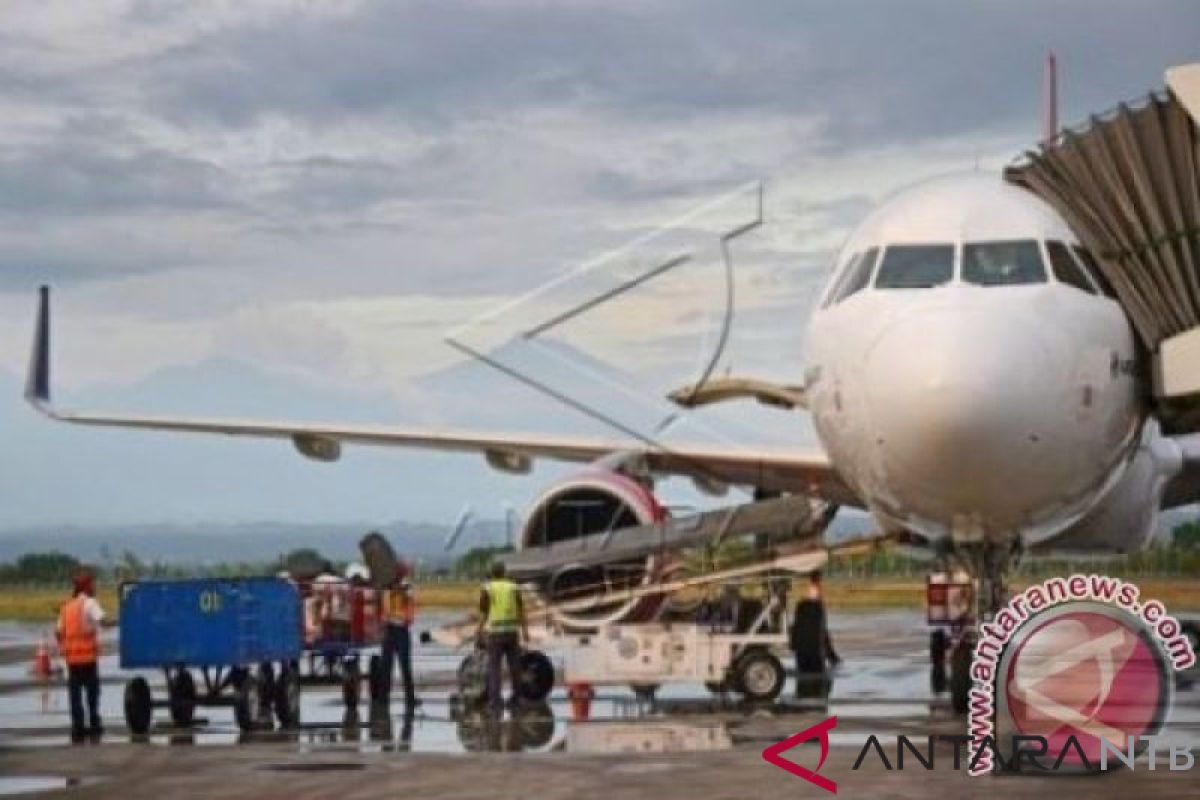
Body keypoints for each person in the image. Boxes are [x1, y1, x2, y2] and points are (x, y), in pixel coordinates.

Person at [56, 570, 105, 742]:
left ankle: (77, 727)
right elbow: (102, 620)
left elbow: (59, 632)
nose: (94, 587)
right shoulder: (90, 603)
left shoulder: (66, 607)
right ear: (86, 586)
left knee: (74, 695)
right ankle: (93, 724)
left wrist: (64, 647)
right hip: (88, 658)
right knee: (92, 693)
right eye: (92, 584)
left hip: (72, 659)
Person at [476, 562, 529, 715]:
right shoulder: (513, 587)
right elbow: (521, 610)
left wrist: (479, 630)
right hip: (512, 632)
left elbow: (484, 613)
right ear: (504, 572)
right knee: (515, 666)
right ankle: (517, 698)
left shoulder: (488, 588)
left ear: (491, 573)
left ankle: (495, 702)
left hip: (496, 633)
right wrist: (525, 630)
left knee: (494, 668)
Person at [789, 571, 840, 697]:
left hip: (805, 655)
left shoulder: (804, 609)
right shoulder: (815, 609)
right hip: (814, 658)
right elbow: (824, 637)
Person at [380, 562, 417, 707]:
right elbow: (386, 610)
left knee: (405, 665)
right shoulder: (388, 590)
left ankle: (410, 698)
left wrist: (401, 591)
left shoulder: (406, 590)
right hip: (391, 630)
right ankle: (383, 697)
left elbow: (409, 606)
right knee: (386, 666)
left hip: (401, 630)